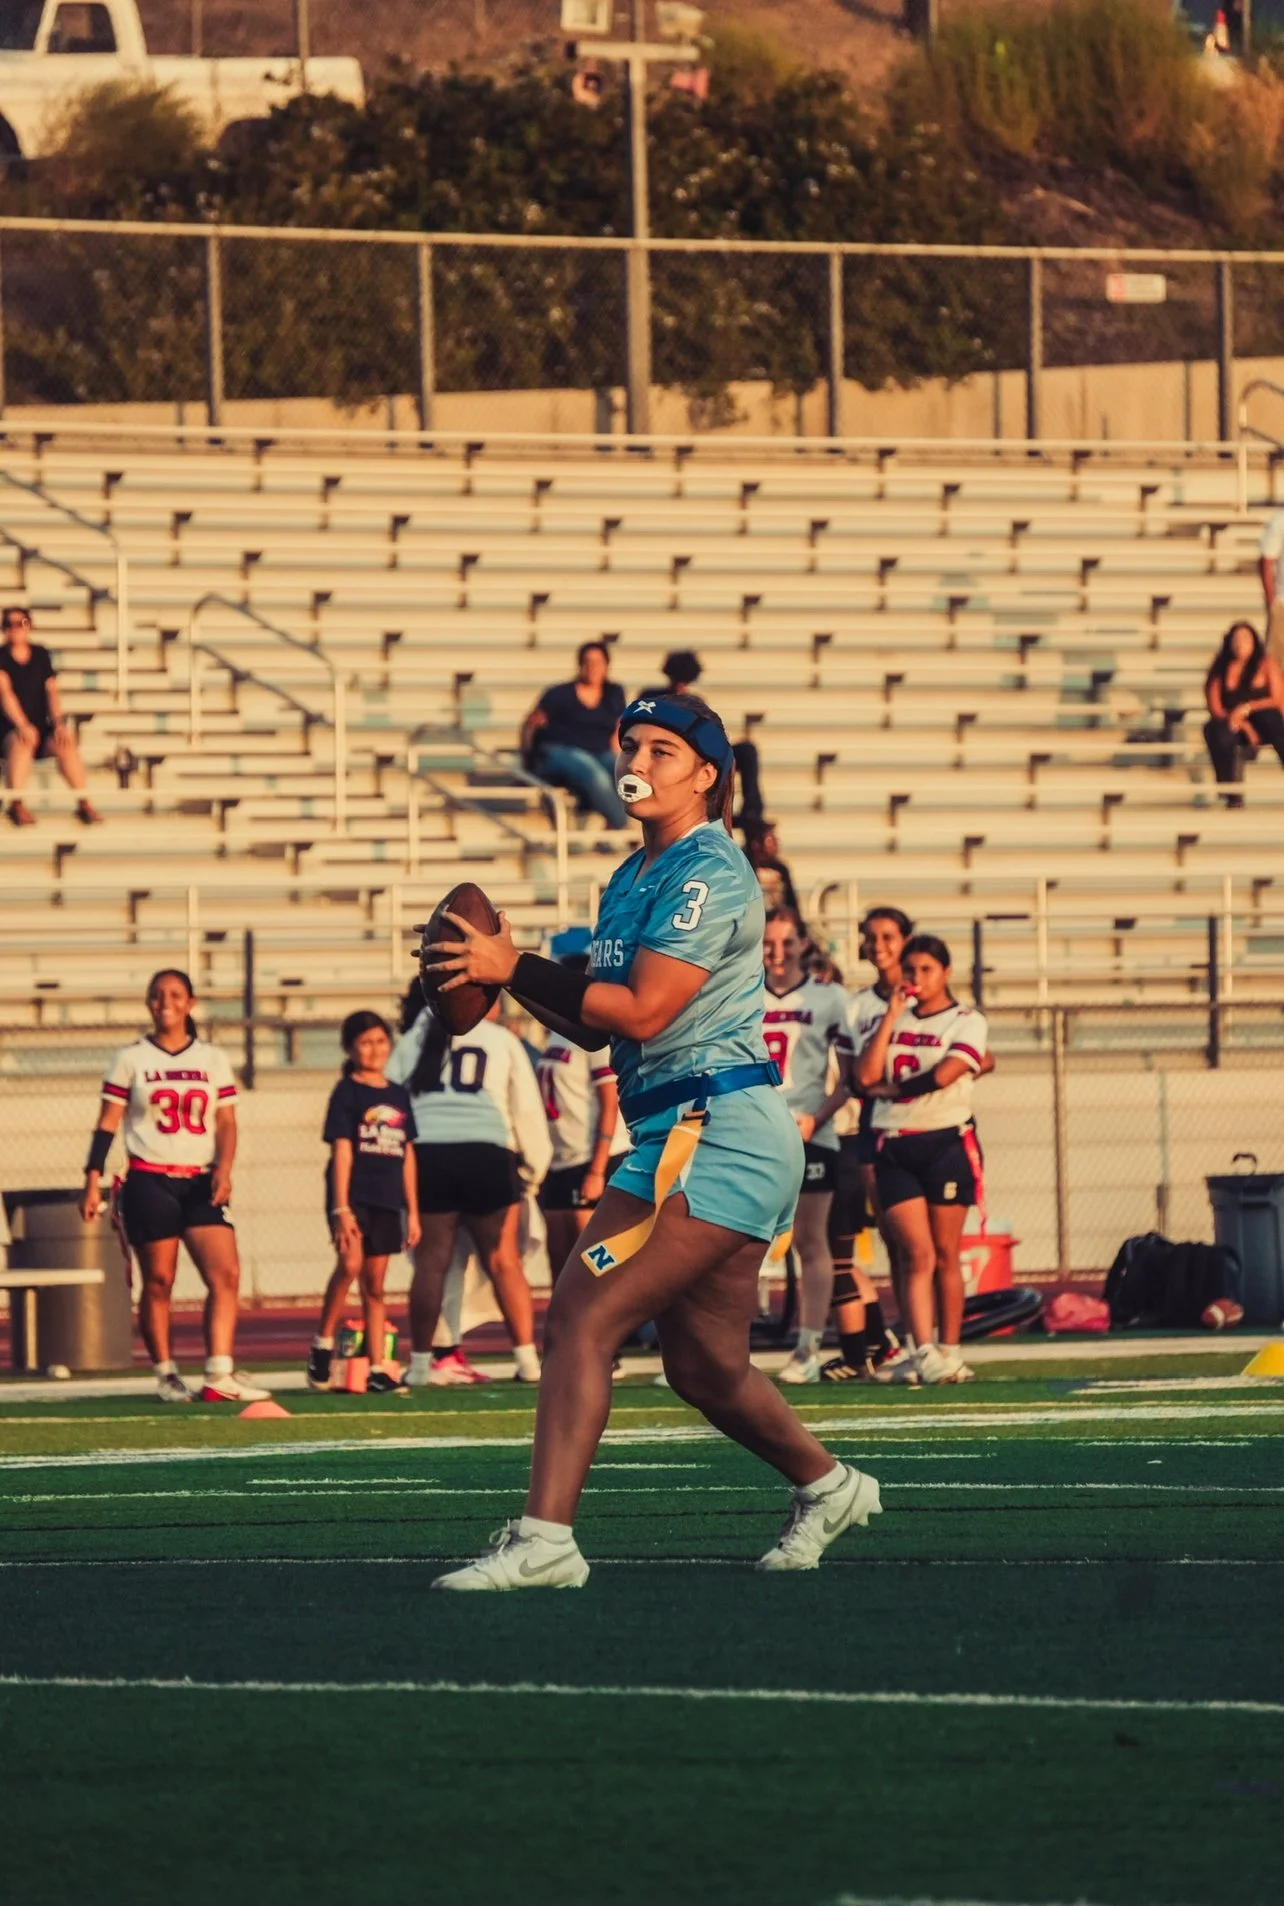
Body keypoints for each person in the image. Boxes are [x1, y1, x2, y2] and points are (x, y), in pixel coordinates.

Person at [424, 689, 881, 1590]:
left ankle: (546, 1540)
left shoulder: (709, 867)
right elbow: (599, 1029)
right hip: (678, 1129)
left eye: (663, 749)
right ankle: (830, 1485)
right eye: (630, 742)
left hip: (717, 1131)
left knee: (583, 1315)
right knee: (703, 1367)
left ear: (707, 776)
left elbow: (644, 1008)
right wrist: (508, 973)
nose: (637, 758)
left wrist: (508, 965)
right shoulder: (633, 877)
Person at [78, 968, 268, 1404]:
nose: (166, 1001)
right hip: (150, 1179)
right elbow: (107, 1123)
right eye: (158, 994)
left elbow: (226, 1120)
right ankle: (166, 1374)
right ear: (149, 1003)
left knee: (226, 1273)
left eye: (175, 994)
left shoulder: (212, 1058)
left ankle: (219, 1372)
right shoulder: (131, 1058)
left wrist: (225, 1166)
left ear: (190, 1003)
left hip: (200, 1179)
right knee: (159, 1281)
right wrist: (91, 1179)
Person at [387, 996, 552, 1388]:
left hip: (429, 1156)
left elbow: (393, 1100)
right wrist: (531, 1171)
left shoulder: (414, 1038)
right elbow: (526, 1110)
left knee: (431, 1263)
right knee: (503, 1262)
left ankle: (423, 1365)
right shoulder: (500, 1040)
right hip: (487, 1155)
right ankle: (528, 1361)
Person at [855, 933, 988, 1387]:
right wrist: (891, 1015)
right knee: (916, 1252)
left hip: (945, 1141)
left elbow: (947, 1073)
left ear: (946, 972)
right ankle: (923, 1349)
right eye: (910, 970)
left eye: (926, 969)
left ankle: (950, 1349)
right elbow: (865, 1076)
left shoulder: (966, 1020)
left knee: (947, 1252)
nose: (916, 978)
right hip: (895, 1142)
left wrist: (892, 1090)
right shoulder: (892, 1018)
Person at [306, 1011, 421, 1395]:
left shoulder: (398, 1093)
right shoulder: (347, 1092)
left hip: (388, 1198)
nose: (374, 1049)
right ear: (350, 1048)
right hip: (353, 1195)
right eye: (365, 1042)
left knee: (375, 1285)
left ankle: (377, 1369)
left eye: (381, 1041)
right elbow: (341, 1152)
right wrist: (340, 1208)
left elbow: (407, 1155)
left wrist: (413, 1211)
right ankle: (322, 1345)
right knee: (350, 1264)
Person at [760, 907, 850, 1385]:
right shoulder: (739, 991)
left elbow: (850, 1078)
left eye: (786, 943)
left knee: (811, 1243)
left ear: (803, 945)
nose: (777, 954)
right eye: (768, 943)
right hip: (751, 1133)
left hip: (808, 1131)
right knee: (735, 1245)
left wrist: (817, 1118)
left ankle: (808, 1347)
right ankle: (722, 1351)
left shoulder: (830, 997)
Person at [535, 929, 629, 1281]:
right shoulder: (556, 1033)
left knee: (590, 1259)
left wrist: (596, 1169)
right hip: (561, 1157)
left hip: (591, 1157)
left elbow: (610, 1103)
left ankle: (611, 1330)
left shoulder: (593, 1036)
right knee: (558, 1254)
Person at [0, 606, 100, 827]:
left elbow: (52, 691)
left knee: (65, 742)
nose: (15, 629)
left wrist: (58, 724)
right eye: (9, 624)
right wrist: (22, 725)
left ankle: (83, 802)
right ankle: (16, 804)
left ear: (29, 626)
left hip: (40, 726)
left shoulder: (41, 655)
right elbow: (5, 694)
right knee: (22, 741)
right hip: (9, 729)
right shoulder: (2, 658)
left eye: (21, 623)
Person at [643, 649, 766, 828]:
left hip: (699, 755)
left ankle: (752, 811)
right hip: (671, 757)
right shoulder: (652, 699)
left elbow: (710, 735)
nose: (680, 687)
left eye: (684, 682)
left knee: (747, 750)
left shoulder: (696, 701)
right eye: (677, 681)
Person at [520, 641, 628, 828]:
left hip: (598, 751)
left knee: (622, 771)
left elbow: (618, 726)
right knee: (593, 773)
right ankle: (622, 827)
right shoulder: (559, 694)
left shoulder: (614, 693)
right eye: (588, 662)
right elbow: (531, 723)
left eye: (598, 662)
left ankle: (612, 826)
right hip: (560, 751)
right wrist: (528, 758)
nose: (593, 667)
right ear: (580, 664)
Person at [1203, 620, 1284, 803]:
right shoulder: (1220, 669)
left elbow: (1277, 699)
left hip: (1265, 724)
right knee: (1216, 730)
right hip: (1235, 725)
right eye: (1236, 638)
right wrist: (1244, 724)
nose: (1240, 643)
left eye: (1245, 638)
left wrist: (1246, 708)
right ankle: (1231, 793)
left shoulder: (1266, 664)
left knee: (1271, 717)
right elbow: (1216, 708)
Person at [743, 818, 799, 914]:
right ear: (756, 844)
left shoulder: (780, 869)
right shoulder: (743, 869)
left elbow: (792, 905)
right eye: (771, 839)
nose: (776, 843)